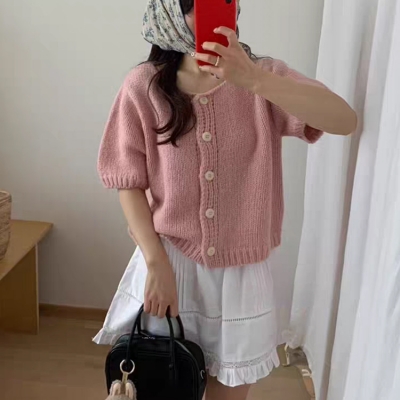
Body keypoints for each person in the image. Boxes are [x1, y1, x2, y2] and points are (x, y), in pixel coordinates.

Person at [94, 1, 357, 399]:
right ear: (171, 11)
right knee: (164, 387)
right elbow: (128, 181)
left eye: (225, 2)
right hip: (169, 265)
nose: (219, 14)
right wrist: (156, 263)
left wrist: (254, 80)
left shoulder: (263, 77)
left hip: (241, 277)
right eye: (199, 5)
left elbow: (344, 120)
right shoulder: (144, 85)